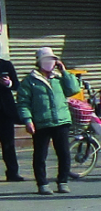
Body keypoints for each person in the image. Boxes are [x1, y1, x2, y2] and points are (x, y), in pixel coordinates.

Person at [16, 47, 80, 195]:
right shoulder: (29, 81)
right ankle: (42, 184)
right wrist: (28, 120)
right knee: (40, 155)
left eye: (52, 60)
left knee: (64, 154)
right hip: (41, 123)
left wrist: (64, 71)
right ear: (39, 62)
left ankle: (63, 182)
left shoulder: (59, 78)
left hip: (61, 121)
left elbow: (73, 90)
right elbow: (23, 103)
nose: (49, 63)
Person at [0, 55, 23, 181]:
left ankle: (13, 172)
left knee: (8, 144)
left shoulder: (6, 65)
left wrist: (9, 83)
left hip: (5, 111)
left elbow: (16, 85)